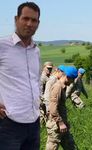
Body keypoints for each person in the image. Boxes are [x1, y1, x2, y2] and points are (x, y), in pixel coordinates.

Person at [0, 2, 41, 150]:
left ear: (38, 23)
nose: (29, 24)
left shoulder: (36, 51)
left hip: (34, 121)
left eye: (34, 20)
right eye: (25, 18)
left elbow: (36, 81)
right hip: (8, 123)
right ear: (16, 19)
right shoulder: (2, 46)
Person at [46, 66, 78, 150]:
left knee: (71, 146)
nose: (73, 82)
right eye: (72, 79)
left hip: (63, 125)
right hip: (55, 125)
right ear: (68, 77)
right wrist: (60, 123)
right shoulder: (57, 87)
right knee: (52, 146)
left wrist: (64, 123)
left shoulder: (63, 87)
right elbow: (52, 108)